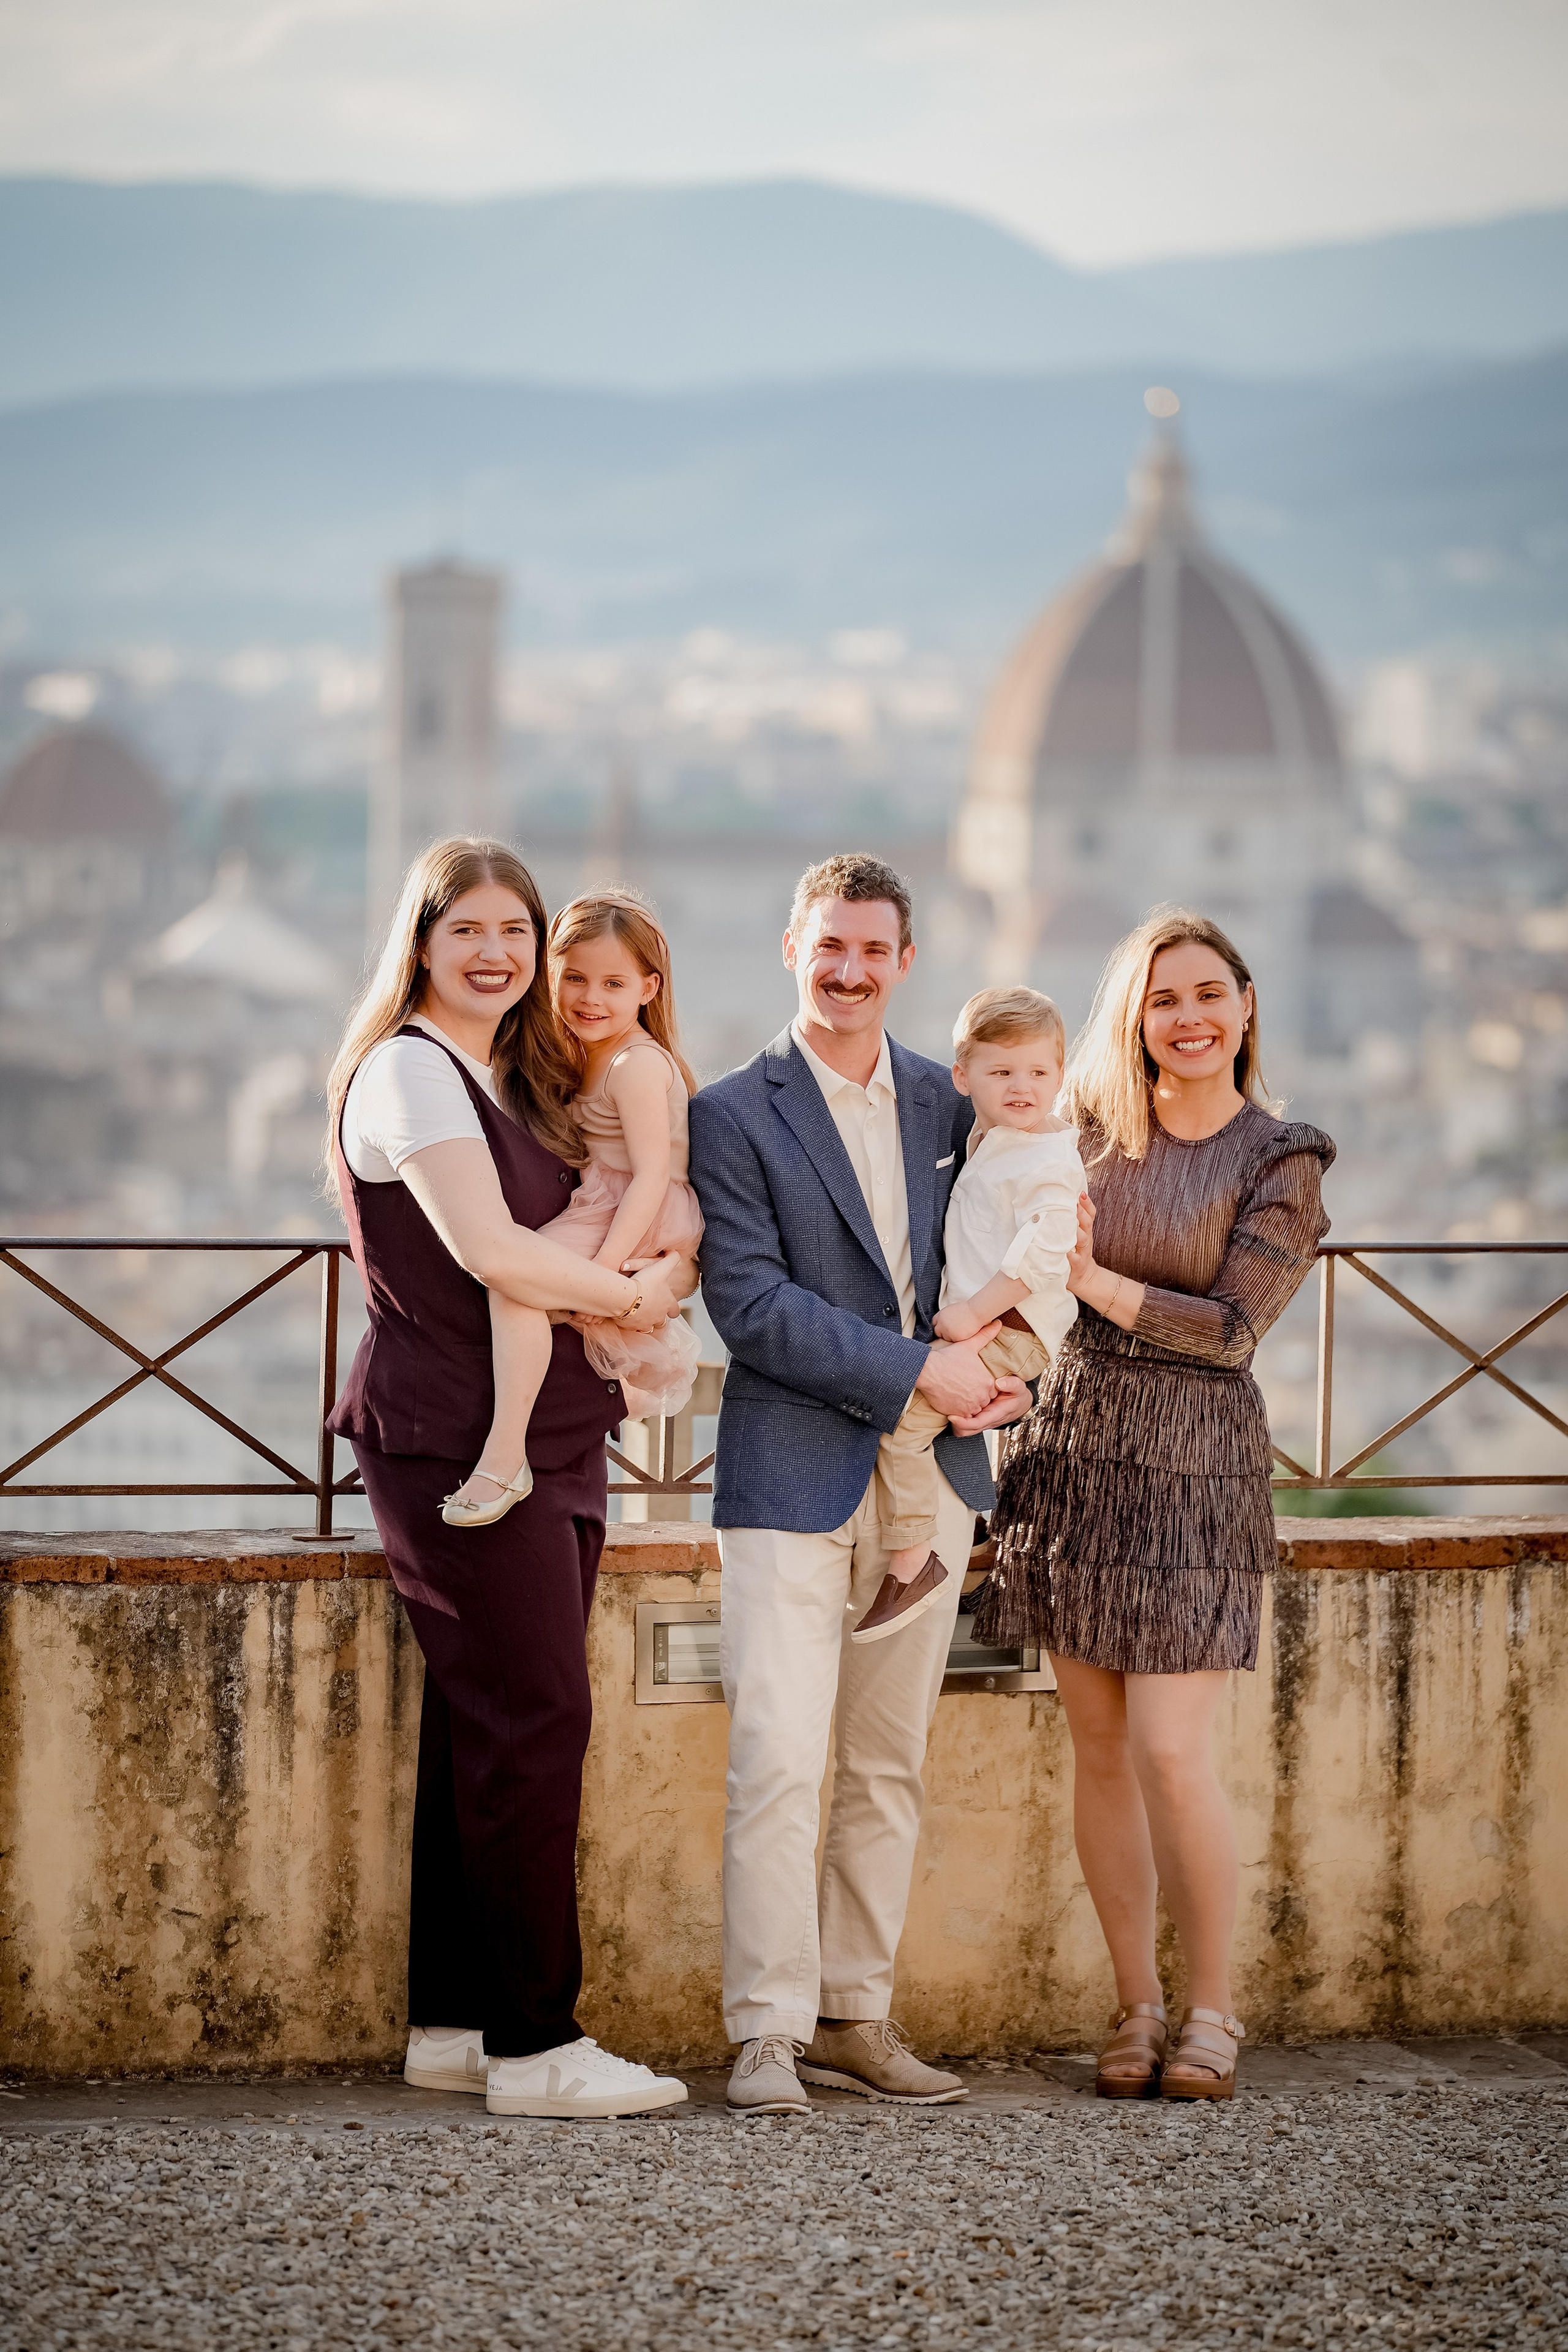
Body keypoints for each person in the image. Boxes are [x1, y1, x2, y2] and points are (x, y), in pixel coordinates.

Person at [324, 835, 692, 2120]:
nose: (494, 953)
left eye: (514, 934)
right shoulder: (413, 1077)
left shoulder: (495, 1071)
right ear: (419, 941)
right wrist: (635, 1292)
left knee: (483, 1724)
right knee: (537, 1721)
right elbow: (490, 1253)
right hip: (455, 1441)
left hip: (539, 1438)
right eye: (467, 928)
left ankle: (455, 2021)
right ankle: (536, 2047)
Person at [688, 853, 1031, 2114]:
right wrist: (916, 1374)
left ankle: (855, 2014)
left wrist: (1005, 1371)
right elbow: (749, 1306)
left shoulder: (955, 1105)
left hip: (929, 1482)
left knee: (888, 1761)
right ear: (792, 948)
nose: (848, 971)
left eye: (873, 952)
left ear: (903, 962)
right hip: (787, 1470)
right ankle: (765, 2031)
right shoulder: (730, 1111)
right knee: (776, 1757)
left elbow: (1020, 1252)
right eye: (828, 946)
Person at [974, 907, 1333, 2103]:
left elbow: (1230, 1333)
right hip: (1070, 1455)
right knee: (1095, 1751)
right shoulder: (1072, 1137)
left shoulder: (1280, 1159)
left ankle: (1214, 2010)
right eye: (1159, 1000)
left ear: (1242, 1006)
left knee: (1171, 1753)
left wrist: (1086, 1278)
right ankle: (1132, 2003)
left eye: (1203, 995)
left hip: (1194, 1473)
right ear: (1132, 1020)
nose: (1185, 1019)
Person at [440, 889, 703, 1528]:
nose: (590, 998)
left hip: (631, 1209)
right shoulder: (585, 1053)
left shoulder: (635, 1063)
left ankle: (505, 1457)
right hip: (607, 1204)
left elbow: (647, 1177)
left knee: (515, 1289)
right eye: (574, 979)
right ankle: (527, 1448)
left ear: (647, 988)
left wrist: (608, 1271)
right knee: (522, 1295)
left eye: (613, 983)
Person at [853, 984, 1085, 1642]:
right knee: (939, 1415)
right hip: (994, 1324)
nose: (1022, 1086)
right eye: (1002, 1071)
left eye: (1038, 1072)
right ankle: (972, 1543)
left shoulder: (1047, 1157)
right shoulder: (993, 1139)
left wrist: (972, 1315)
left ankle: (912, 1562)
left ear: (1059, 1077)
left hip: (1009, 1327)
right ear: (964, 1076)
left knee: (902, 1425)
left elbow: (1047, 1252)